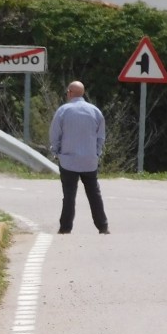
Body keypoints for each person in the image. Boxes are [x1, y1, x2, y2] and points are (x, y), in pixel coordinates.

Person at [49, 81, 109, 234]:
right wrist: (96, 154)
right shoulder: (95, 111)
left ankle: (65, 228)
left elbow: (55, 134)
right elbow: (100, 137)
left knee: (69, 195)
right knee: (94, 194)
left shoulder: (63, 110)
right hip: (89, 161)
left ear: (69, 92)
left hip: (68, 160)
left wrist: (56, 152)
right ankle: (103, 226)